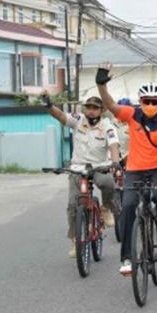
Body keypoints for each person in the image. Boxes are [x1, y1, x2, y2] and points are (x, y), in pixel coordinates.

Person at [95, 62, 157, 276]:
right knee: (129, 207)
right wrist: (101, 86)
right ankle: (127, 258)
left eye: (154, 101)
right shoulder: (133, 115)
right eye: (146, 101)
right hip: (134, 170)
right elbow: (112, 106)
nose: (150, 104)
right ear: (140, 102)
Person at [40, 94, 119, 258]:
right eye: (88, 107)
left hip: (99, 166)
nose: (91, 111)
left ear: (101, 111)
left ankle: (106, 209)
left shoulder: (108, 126)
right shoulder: (78, 120)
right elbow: (60, 116)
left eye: (95, 108)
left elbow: (113, 145)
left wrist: (115, 162)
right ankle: (75, 240)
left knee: (108, 183)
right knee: (72, 205)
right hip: (78, 167)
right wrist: (49, 105)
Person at [114, 98, 132, 165]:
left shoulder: (134, 124)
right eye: (121, 109)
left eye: (126, 109)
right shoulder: (112, 123)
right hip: (114, 160)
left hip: (129, 159)